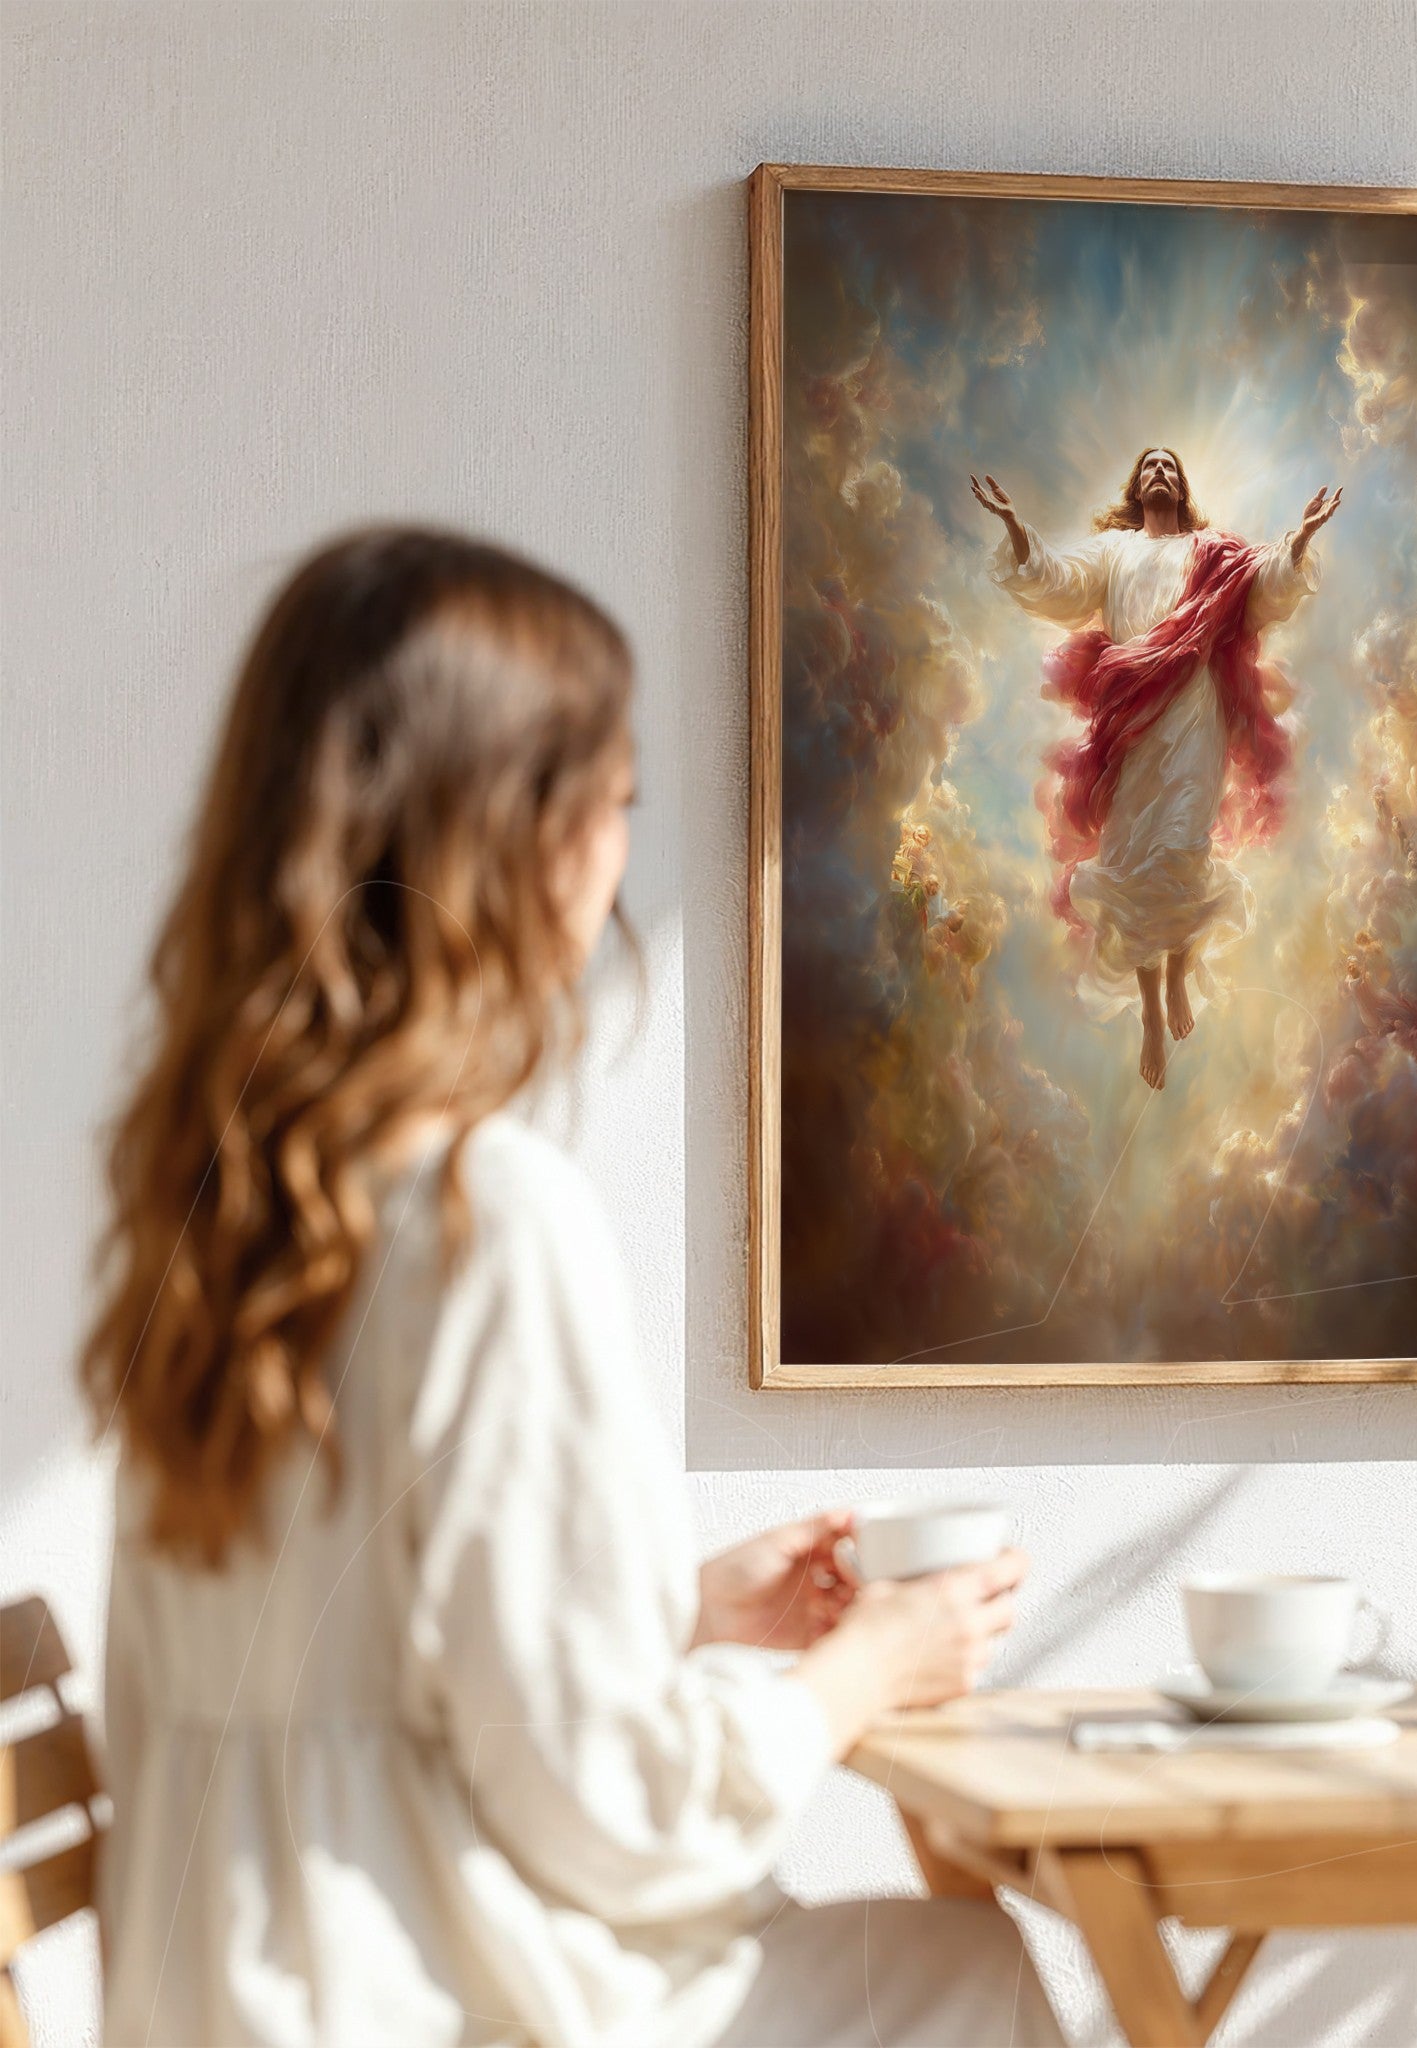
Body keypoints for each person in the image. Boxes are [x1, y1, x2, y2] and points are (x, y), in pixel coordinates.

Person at [81, 528, 1062, 2047]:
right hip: (429, 1995)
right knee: (969, 1980)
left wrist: (671, 1615)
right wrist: (865, 1669)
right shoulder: (483, 1222)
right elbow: (611, 1805)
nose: (620, 853)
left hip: (227, 1990)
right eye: (613, 805)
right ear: (516, 842)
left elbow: (362, 1671)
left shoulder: (215, 1213)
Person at [974, 448, 1339, 1089]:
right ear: (1137, 489)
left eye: (1170, 465)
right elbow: (1057, 577)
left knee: (1180, 845)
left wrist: (1301, 537)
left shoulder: (1212, 551)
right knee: (1131, 856)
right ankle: (1149, 1009)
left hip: (1194, 711)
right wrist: (1013, 528)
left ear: (1182, 486)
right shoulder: (1114, 550)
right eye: (1150, 467)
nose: (1160, 472)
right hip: (1131, 722)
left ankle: (1177, 974)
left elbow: (1261, 585)